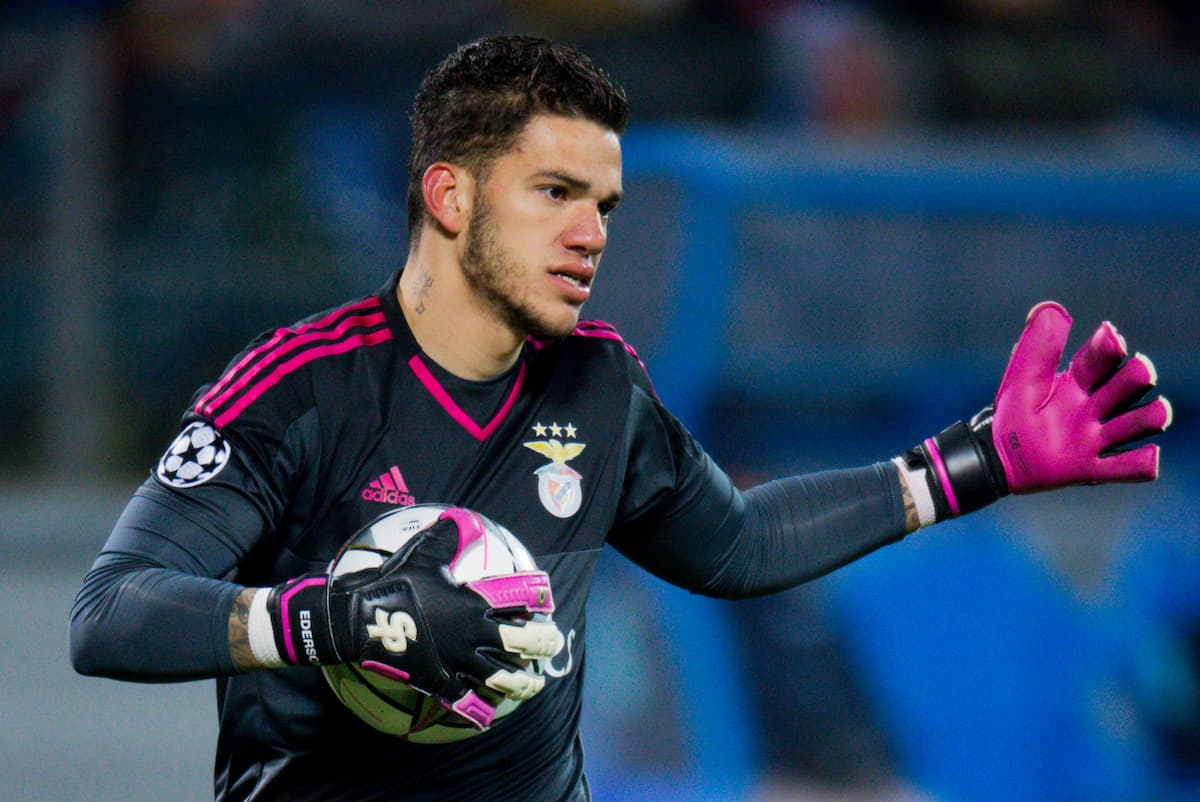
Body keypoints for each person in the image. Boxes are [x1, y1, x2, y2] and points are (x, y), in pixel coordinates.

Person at [69, 34, 1174, 802]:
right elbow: (110, 615)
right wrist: (330, 620)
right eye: (554, 193)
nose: (592, 232)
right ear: (450, 197)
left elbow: (735, 545)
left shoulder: (601, 384)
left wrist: (969, 464)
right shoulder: (298, 386)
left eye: (605, 205)